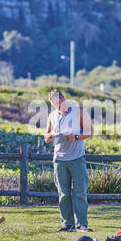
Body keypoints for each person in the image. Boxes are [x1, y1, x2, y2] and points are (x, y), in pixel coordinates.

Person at [44, 90, 93, 232]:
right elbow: (46, 137)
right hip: (59, 159)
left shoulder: (79, 111)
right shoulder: (52, 116)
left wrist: (76, 137)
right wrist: (51, 135)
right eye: (53, 105)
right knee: (63, 193)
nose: (56, 107)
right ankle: (67, 223)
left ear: (63, 98)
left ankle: (82, 224)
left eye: (58, 103)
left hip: (77, 158)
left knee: (79, 192)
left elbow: (89, 132)